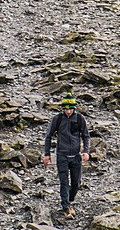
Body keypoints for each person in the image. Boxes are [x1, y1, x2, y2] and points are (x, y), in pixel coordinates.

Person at [43, 92, 90, 220]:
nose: (68, 111)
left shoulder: (80, 119)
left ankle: (69, 200)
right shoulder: (57, 119)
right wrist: (47, 154)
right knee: (64, 182)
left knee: (76, 183)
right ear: (62, 108)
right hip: (62, 155)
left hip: (76, 156)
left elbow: (86, 136)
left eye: (70, 108)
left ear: (74, 108)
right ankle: (65, 207)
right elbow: (48, 136)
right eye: (65, 108)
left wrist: (86, 151)